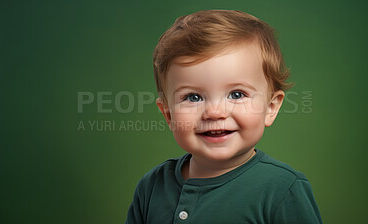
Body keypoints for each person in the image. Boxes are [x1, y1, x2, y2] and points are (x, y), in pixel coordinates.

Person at [125, 9, 322, 224]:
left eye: (237, 94)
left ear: (270, 107)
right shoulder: (152, 186)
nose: (215, 112)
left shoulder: (282, 189)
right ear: (168, 114)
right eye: (193, 97)